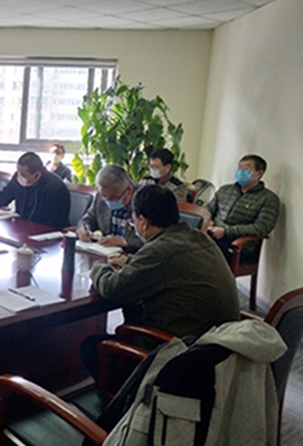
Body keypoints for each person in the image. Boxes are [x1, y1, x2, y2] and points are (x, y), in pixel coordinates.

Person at [82, 185, 241, 377]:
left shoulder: (158, 251)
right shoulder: (199, 237)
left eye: (133, 220)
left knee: (91, 346)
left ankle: (127, 393)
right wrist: (131, 262)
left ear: (143, 222)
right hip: (220, 349)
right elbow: (170, 266)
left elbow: (112, 288)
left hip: (181, 356)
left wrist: (99, 266)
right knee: (133, 308)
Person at [206, 154, 280, 262]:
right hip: (211, 236)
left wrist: (226, 231)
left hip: (237, 246)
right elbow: (208, 209)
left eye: (246, 169)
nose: (241, 172)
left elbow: (262, 227)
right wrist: (207, 221)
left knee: (200, 254)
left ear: (259, 173)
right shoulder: (224, 190)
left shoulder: (268, 198)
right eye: (239, 168)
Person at [0, 152, 71, 229]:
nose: (19, 176)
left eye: (23, 175)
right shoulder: (18, 177)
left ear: (37, 175)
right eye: (18, 172)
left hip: (45, 234)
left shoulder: (55, 188)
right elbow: (4, 195)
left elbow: (55, 222)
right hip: (23, 228)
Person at [77, 164, 143, 251]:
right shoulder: (101, 195)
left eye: (113, 197)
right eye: (105, 196)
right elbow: (87, 220)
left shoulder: (145, 198)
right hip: (105, 252)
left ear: (129, 191)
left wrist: (124, 242)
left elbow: (155, 240)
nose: (108, 200)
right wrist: (84, 230)